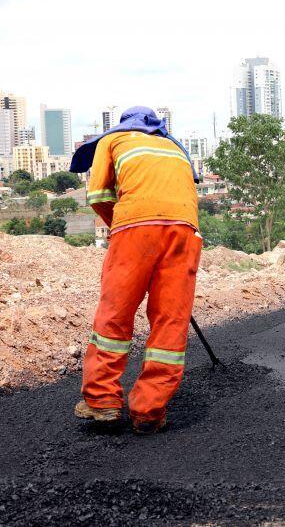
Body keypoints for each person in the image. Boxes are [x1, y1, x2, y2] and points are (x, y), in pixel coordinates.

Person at [68, 106, 202, 435]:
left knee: (116, 311)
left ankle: (102, 401)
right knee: (171, 319)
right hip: (185, 231)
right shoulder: (175, 147)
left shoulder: (112, 141)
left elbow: (99, 195)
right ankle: (149, 411)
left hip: (135, 230)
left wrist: (125, 227)